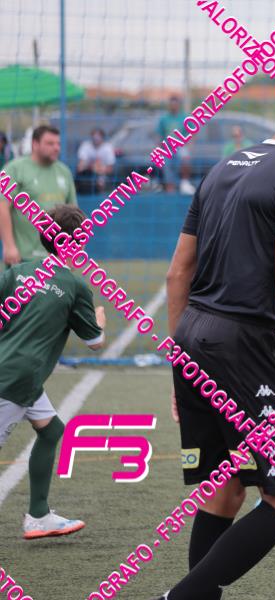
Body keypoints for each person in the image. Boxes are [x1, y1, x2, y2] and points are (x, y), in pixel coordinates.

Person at [157, 72, 275, 600]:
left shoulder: (221, 169)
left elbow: (177, 274)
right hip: (242, 347)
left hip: (192, 335)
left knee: (225, 490)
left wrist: (180, 366)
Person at [0, 205, 106, 539]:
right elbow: (95, 342)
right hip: (17, 378)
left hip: (20, 375)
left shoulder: (17, 272)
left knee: (51, 430)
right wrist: (100, 320)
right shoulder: (74, 285)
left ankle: (39, 516)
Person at [0, 125, 77, 268]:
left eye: (58, 144)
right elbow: (2, 206)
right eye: (50, 143)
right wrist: (9, 246)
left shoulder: (64, 172)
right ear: (35, 144)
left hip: (57, 259)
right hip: (23, 259)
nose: (56, 148)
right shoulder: (15, 169)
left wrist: (73, 249)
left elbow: (74, 214)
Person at [158, 95, 195, 194]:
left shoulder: (184, 117)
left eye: (175, 104)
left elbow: (192, 132)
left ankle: (185, 183)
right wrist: (159, 148)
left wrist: (190, 144)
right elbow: (160, 135)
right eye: (172, 104)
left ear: (178, 105)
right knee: (167, 167)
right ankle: (170, 189)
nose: (173, 106)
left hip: (181, 145)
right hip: (168, 146)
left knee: (185, 158)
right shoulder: (164, 119)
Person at [75, 128, 116, 194]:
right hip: (88, 174)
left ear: (102, 137)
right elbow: (80, 167)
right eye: (94, 136)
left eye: (98, 136)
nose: (96, 139)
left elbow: (110, 169)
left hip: (103, 175)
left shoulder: (108, 147)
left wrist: (98, 168)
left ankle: (100, 194)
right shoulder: (86, 145)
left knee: (101, 180)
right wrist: (91, 167)